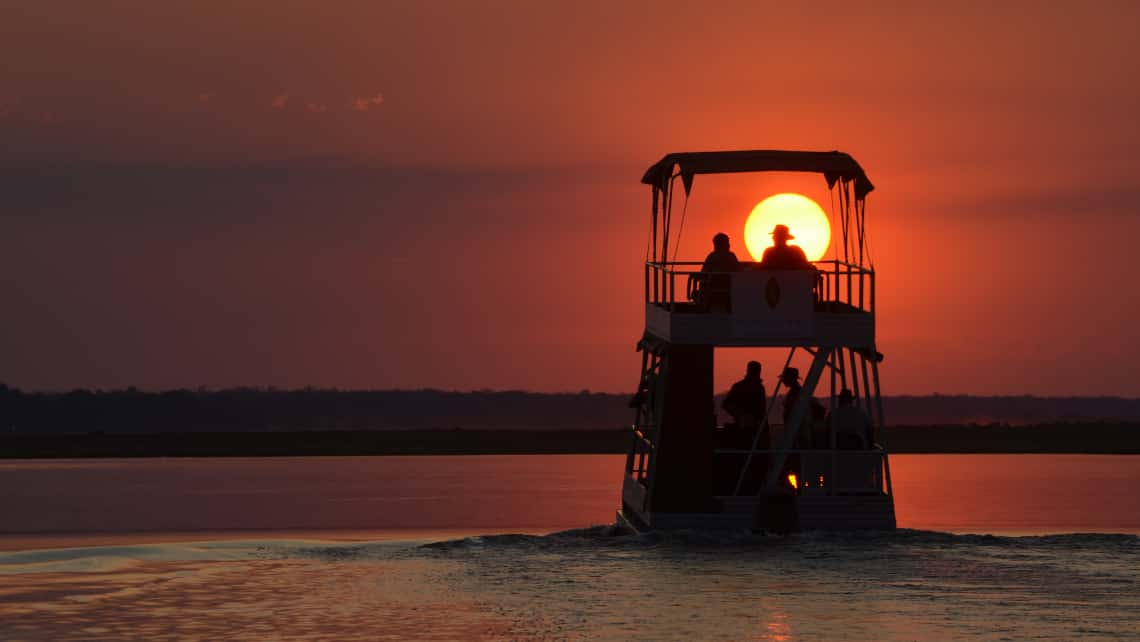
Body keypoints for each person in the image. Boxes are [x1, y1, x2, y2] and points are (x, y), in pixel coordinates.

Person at [689, 232, 740, 310]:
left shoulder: (712, 257)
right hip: (729, 291)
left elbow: (703, 274)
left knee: (701, 283)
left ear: (716, 244)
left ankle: (701, 306)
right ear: (727, 244)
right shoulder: (732, 257)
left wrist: (694, 275)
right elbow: (738, 272)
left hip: (712, 290)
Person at [723, 361, 768, 444]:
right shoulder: (758, 388)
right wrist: (741, 415)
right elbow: (726, 404)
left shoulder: (740, 386)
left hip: (753, 428)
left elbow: (726, 404)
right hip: (746, 429)